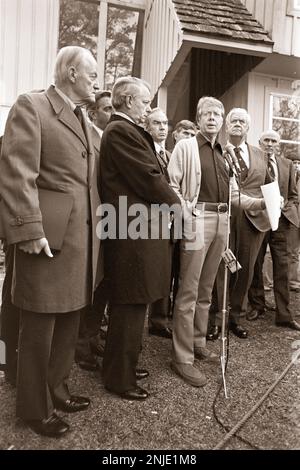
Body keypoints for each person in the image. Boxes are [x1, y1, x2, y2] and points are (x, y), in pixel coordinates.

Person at [0, 46, 101, 437]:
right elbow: (17, 173)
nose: (97, 81)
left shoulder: (84, 119)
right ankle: (33, 408)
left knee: (68, 321)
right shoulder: (33, 106)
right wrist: (28, 230)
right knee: (39, 329)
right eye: (92, 74)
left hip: (78, 243)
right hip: (46, 239)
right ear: (72, 73)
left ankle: (57, 390)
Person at [168, 98, 266, 387]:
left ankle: (198, 342)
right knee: (188, 289)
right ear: (198, 119)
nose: (212, 118)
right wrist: (187, 213)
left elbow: (235, 196)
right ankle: (182, 357)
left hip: (222, 222)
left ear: (222, 120)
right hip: (197, 220)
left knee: (206, 289)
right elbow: (172, 186)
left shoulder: (225, 153)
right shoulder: (186, 147)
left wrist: (262, 203)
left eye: (217, 114)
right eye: (207, 114)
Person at [100, 77, 180, 400]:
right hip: (131, 230)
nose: (148, 107)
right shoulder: (121, 131)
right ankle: (120, 377)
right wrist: (177, 205)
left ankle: (124, 365)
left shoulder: (128, 130)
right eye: (145, 101)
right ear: (128, 101)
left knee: (134, 302)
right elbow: (149, 178)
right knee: (130, 303)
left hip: (134, 227)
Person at [75, 90, 113, 371]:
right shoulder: (90, 138)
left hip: (112, 220)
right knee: (90, 285)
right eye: (107, 109)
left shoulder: (111, 138)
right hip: (93, 221)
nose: (112, 114)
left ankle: (91, 337)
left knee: (103, 287)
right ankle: (80, 347)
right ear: (94, 113)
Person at [247, 130, 300, 330]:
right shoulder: (253, 163)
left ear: (278, 144)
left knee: (282, 268)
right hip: (258, 220)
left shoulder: (287, 165)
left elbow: (294, 195)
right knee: (256, 265)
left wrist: (286, 207)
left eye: (273, 141)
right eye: (266, 140)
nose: (270, 144)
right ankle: (257, 305)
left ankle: (284, 315)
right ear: (260, 142)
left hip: (282, 222)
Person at [144, 108, 173, 339]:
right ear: (146, 127)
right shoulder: (145, 152)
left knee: (166, 270)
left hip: (170, 220)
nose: (162, 127)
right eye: (156, 123)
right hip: (149, 220)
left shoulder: (170, 155)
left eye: (165, 123)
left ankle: (159, 320)